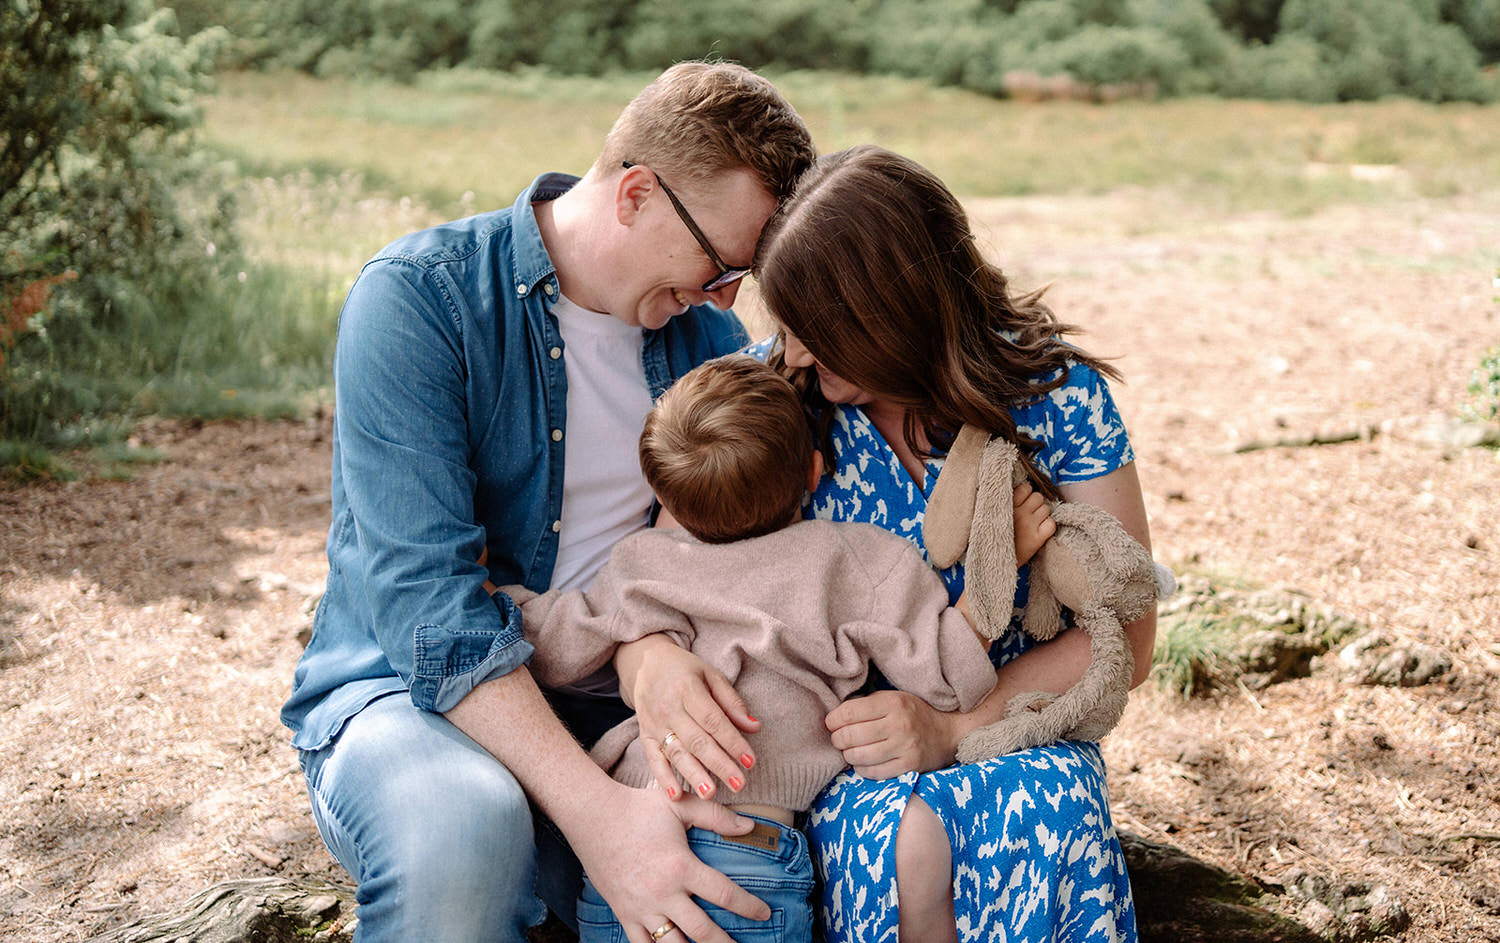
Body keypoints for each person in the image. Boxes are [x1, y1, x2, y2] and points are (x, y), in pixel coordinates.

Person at [279, 62, 817, 943]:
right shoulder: (421, 299)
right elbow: (427, 610)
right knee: (464, 830)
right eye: (720, 265)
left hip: (612, 703)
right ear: (637, 193)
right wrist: (600, 818)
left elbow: (698, 556)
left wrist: (645, 648)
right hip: (410, 697)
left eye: (740, 277)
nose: (724, 298)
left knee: (731, 868)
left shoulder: (707, 343)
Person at [613, 145, 1158, 943]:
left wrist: (951, 730)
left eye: (814, 331)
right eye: (785, 326)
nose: (792, 351)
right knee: (903, 837)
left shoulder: (1059, 397)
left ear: (888, 315)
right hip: (843, 752)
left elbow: (1127, 641)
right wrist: (650, 659)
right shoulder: (770, 398)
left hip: (1019, 729)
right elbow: (660, 581)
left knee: (1036, 804)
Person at [498, 354, 1058, 943]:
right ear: (815, 474)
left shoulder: (641, 566)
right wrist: (1000, 559)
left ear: (664, 496)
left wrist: (489, 590)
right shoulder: (852, 561)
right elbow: (948, 674)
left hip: (630, 857)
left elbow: (552, 642)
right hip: (751, 862)